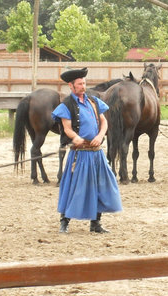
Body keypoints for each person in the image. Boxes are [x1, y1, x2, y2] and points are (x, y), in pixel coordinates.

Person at [52, 67, 122, 233]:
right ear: (71, 86)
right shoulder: (67, 105)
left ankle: (95, 223)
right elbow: (67, 128)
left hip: (97, 153)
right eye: (80, 84)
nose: (83, 86)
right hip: (80, 154)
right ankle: (64, 222)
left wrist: (100, 135)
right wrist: (75, 137)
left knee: (100, 186)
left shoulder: (93, 101)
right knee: (74, 187)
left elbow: (103, 121)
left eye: (84, 83)